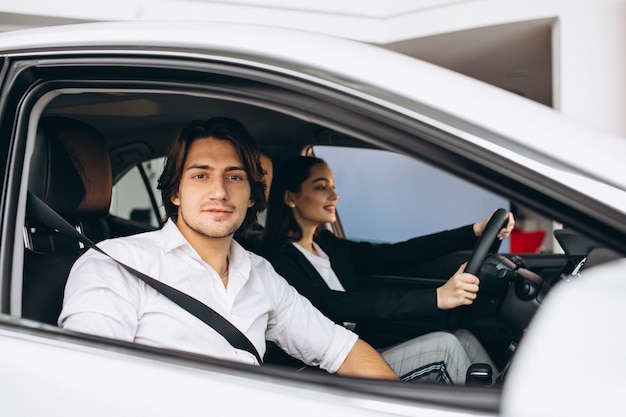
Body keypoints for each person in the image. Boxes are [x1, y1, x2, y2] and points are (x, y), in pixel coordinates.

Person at [58, 117, 397, 380]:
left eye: (234, 177)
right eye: (200, 176)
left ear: (251, 196)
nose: (219, 191)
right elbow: (85, 383)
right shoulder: (115, 264)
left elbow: (340, 349)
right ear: (175, 193)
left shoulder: (261, 274)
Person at [262, 155, 515, 384]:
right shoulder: (277, 260)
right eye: (321, 187)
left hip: (366, 348)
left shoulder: (328, 245)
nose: (334, 195)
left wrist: (473, 231)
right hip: (331, 369)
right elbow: (335, 304)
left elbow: (399, 253)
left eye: (333, 186)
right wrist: (437, 297)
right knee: (445, 346)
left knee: (464, 337)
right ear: (290, 197)